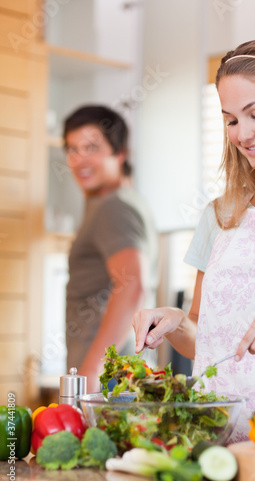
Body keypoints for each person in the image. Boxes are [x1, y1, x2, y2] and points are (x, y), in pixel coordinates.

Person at [133, 39, 255, 441]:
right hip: (212, 443)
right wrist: (174, 323)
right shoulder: (220, 216)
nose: (243, 134)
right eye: (230, 120)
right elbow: (203, 342)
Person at [64, 105, 159, 393]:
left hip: (109, 380)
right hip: (121, 375)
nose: (79, 159)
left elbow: (132, 284)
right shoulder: (124, 201)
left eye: (91, 147)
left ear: (119, 154)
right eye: (72, 149)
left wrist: (92, 370)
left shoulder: (113, 207)